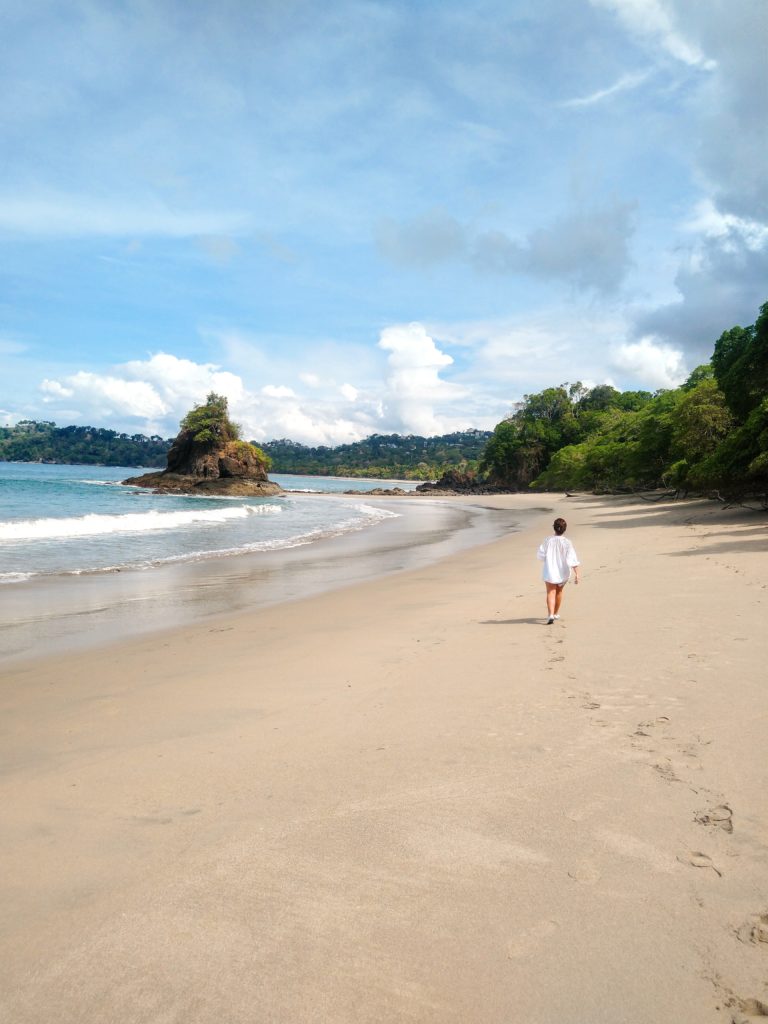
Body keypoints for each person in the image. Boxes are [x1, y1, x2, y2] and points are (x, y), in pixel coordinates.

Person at [537, 517, 580, 624]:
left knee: (550, 592)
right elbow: (572, 558)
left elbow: (541, 555)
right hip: (563, 571)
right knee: (559, 591)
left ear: (554, 528)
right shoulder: (567, 542)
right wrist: (577, 573)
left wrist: (547, 558)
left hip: (550, 570)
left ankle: (550, 614)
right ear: (564, 529)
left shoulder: (547, 540)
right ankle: (555, 613)